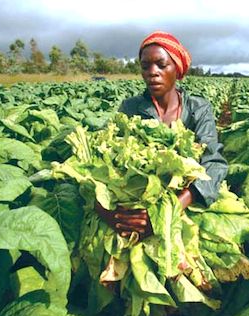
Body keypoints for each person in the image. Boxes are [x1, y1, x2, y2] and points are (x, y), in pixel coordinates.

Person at [95, 31, 228, 239]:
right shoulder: (130, 108)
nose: (152, 72)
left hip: (186, 198)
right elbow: (103, 160)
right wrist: (112, 215)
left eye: (161, 65)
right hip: (137, 199)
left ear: (177, 68)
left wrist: (167, 211)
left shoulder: (197, 109)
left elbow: (214, 163)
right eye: (145, 66)